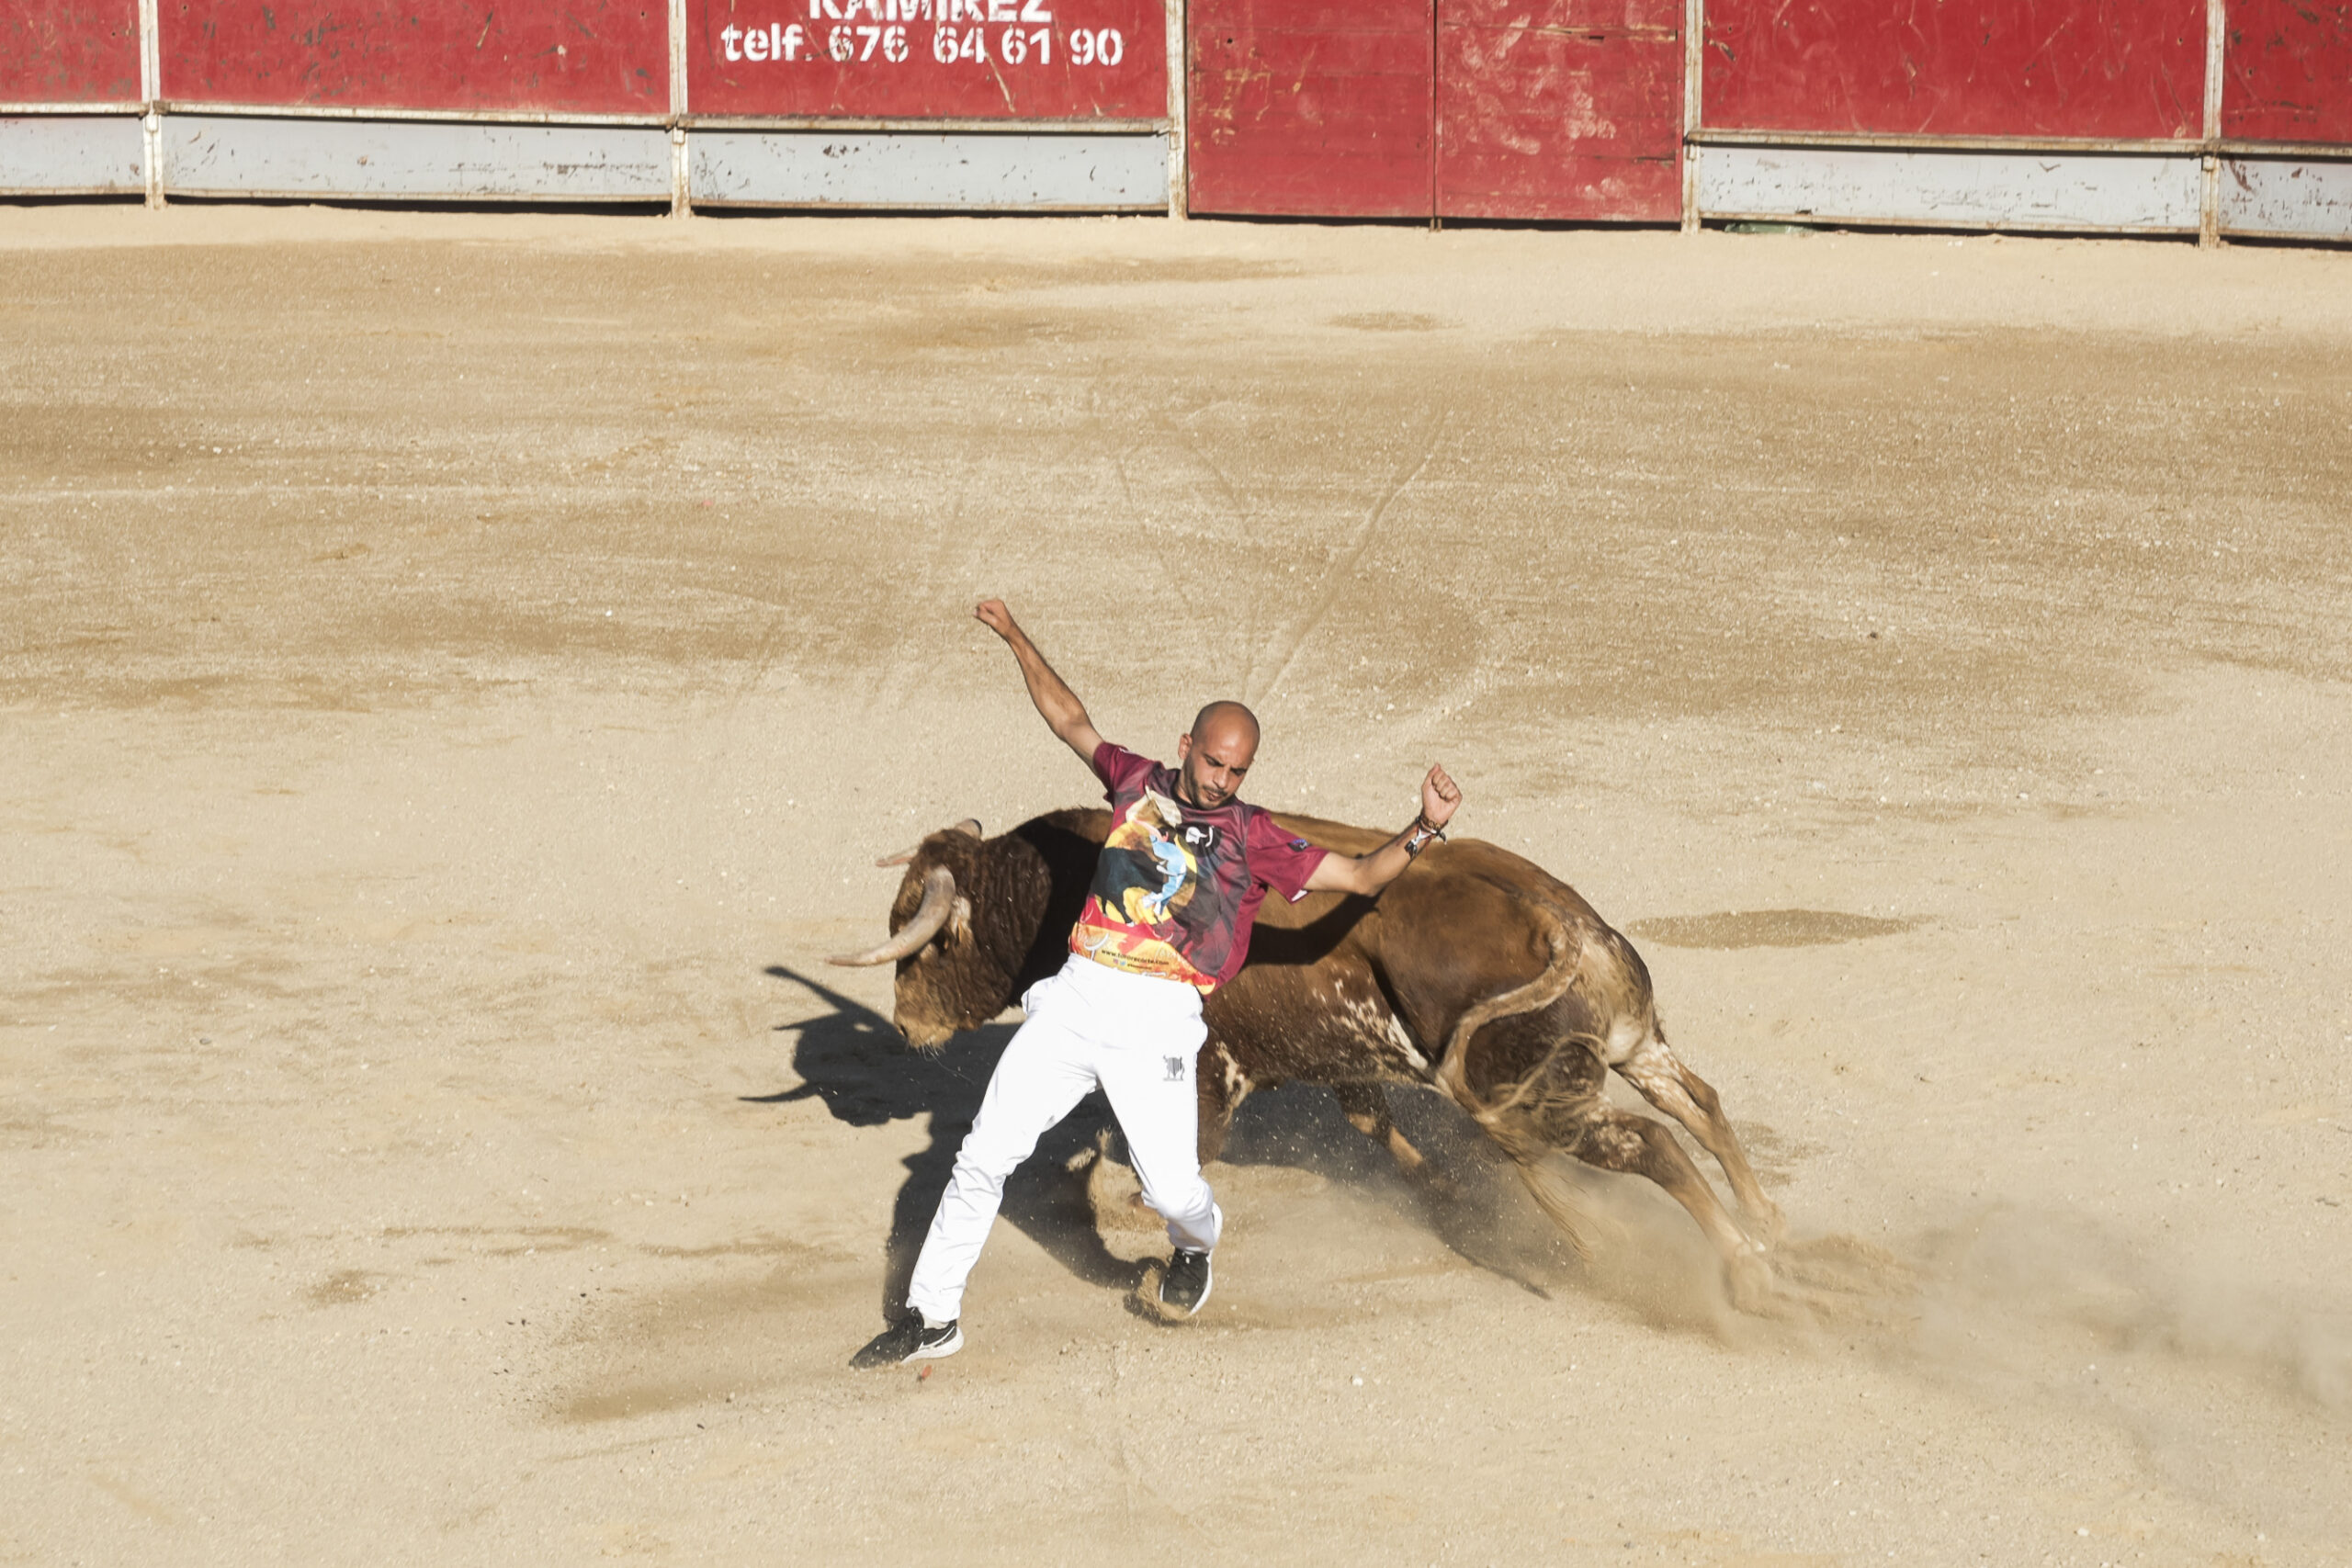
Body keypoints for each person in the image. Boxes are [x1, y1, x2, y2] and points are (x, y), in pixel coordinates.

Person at [858, 599, 1462, 1365]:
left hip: (1161, 1018)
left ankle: (1194, 1247)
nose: (1222, 779)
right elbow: (1070, 719)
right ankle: (932, 1317)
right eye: (1213, 762)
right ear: (1188, 745)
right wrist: (1015, 636)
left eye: (1237, 769)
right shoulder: (1136, 782)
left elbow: (1364, 875)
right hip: (1077, 994)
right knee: (982, 1155)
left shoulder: (1257, 837)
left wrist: (1426, 823)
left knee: (1174, 1191)